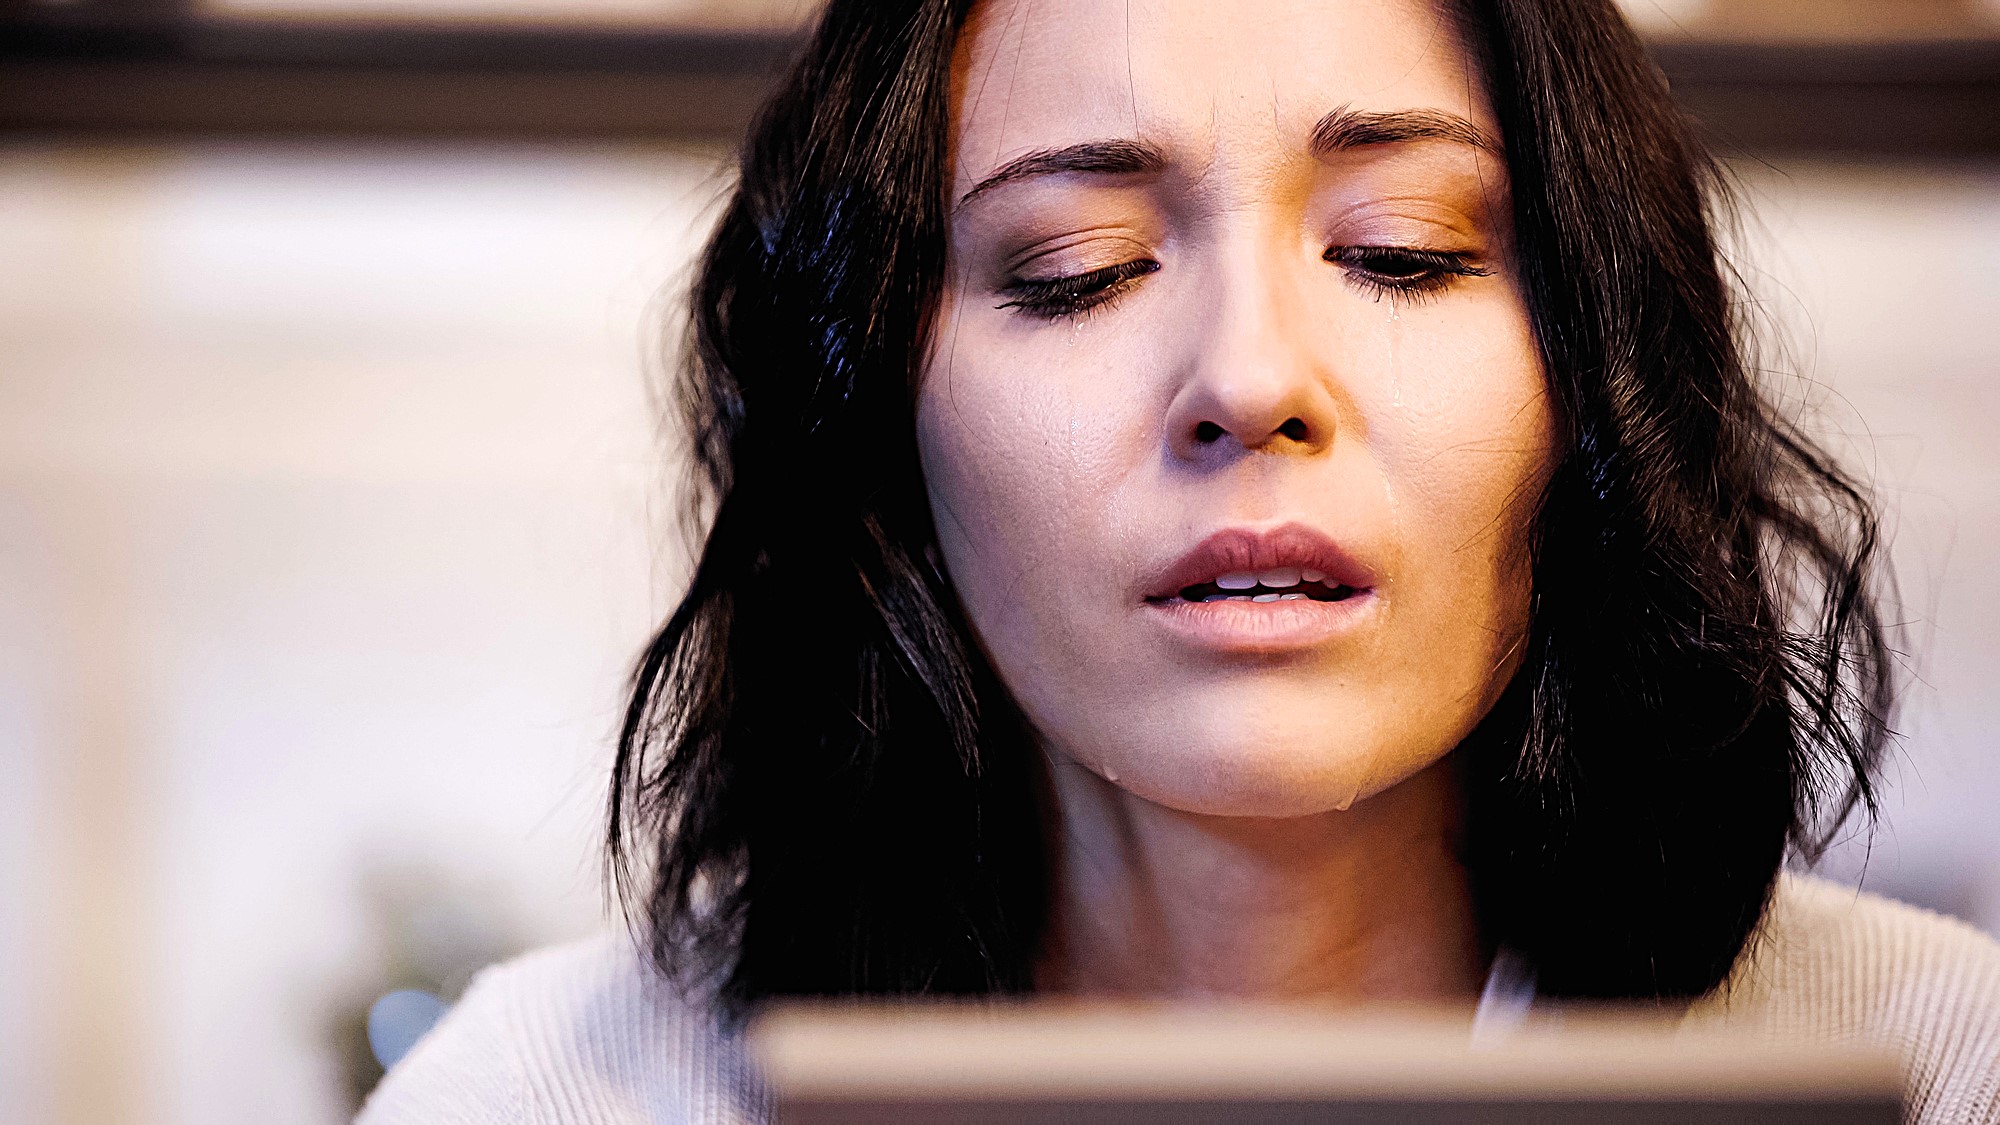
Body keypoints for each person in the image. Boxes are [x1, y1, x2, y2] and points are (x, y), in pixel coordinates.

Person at [358, 0, 2000, 1121]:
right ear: (879, 404)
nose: (1250, 379)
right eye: (1081, 269)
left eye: (1402, 254)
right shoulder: (550, 1093)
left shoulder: (1945, 1067)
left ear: (1597, 361)